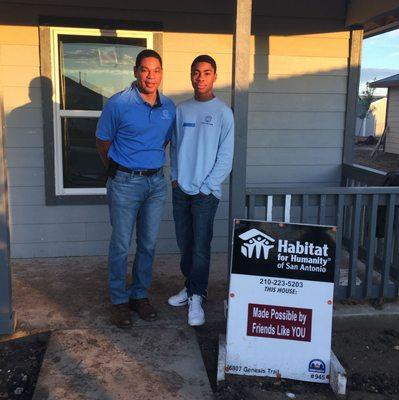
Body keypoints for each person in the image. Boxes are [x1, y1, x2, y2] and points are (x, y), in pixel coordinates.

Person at [96, 49, 175, 328]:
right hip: (124, 183)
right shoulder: (118, 104)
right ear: (135, 72)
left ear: (161, 73)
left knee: (148, 244)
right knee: (120, 244)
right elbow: (103, 142)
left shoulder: (169, 107)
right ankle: (119, 300)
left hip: (155, 183)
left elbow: (162, 142)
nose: (150, 76)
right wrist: (119, 170)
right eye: (145, 70)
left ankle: (139, 295)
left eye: (156, 70)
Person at [168, 55, 234, 326]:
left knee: (200, 247)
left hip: (206, 193)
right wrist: (174, 177)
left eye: (206, 73)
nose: (200, 77)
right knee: (185, 243)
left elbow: (226, 155)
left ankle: (197, 295)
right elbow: (174, 145)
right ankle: (190, 286)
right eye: (196, 72)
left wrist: (207, 186)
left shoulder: (223, 113)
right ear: (191, 75)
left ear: (215, 76)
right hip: (181, 189)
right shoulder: (181, 110)